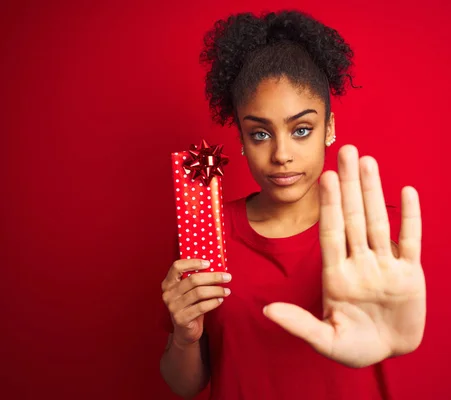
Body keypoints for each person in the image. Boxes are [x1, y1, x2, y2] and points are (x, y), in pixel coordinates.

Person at [159, 10, 426, 400]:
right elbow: (184, 385)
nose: (281, 154)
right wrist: (184, 335)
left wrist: (396, 339)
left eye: (301, 130)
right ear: (241, 136)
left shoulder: (375, 234)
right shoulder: (205, 235)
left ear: (329, 128)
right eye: (260, 133)